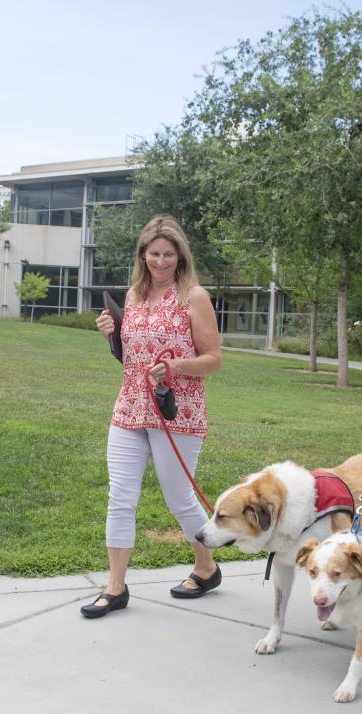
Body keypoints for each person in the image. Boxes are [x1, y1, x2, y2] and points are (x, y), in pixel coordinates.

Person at [81, 214, 224, 619]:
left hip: (176, 411)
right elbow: (131, 358)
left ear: (181, 256)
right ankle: (115, 588)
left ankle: (207, 566)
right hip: (129, 407)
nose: (160, 262)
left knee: (179, 497)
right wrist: (111, 333)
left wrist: (175, 367)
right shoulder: (132, 296)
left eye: (168, 254)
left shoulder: (193, 297)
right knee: (120, 496)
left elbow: (213, 360)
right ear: (142, 255)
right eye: (153, 254)